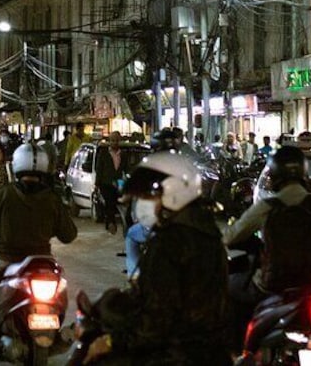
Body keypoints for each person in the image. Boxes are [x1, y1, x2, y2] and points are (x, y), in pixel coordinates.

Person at [82, 151, 230, 365]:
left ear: (173, 195)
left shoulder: (170, 243)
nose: (142, 203)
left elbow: (156, 320)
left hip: (175, 355)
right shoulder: (206, 233)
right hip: (210, 352)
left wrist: (112, 342)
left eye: (149, 196)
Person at [0, 141, 77, 364]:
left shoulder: (6, 194)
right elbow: (69, 235)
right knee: (61, 293)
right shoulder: (51, 197)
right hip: (44, 262)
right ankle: (62, 334)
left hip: (6, 259)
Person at [223, 146, 311, 344]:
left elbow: (231, 237)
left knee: (230, 289)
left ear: (275, 175)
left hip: (270, 286)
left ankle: (242, 350)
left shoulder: (267, 206)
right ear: (304, 172)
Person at [95, 131, 123, 235]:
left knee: (114, 203)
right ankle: (111, 223)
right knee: (109, 202)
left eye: (116, 140)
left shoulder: (123, 154)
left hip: (119, 184)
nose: (115, 142)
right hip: (106, 183)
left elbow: (125, 169)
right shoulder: (103, 154)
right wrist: (97, 184)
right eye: (112, 140)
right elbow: (99, 169)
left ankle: (111, 223)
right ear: (109, 141)